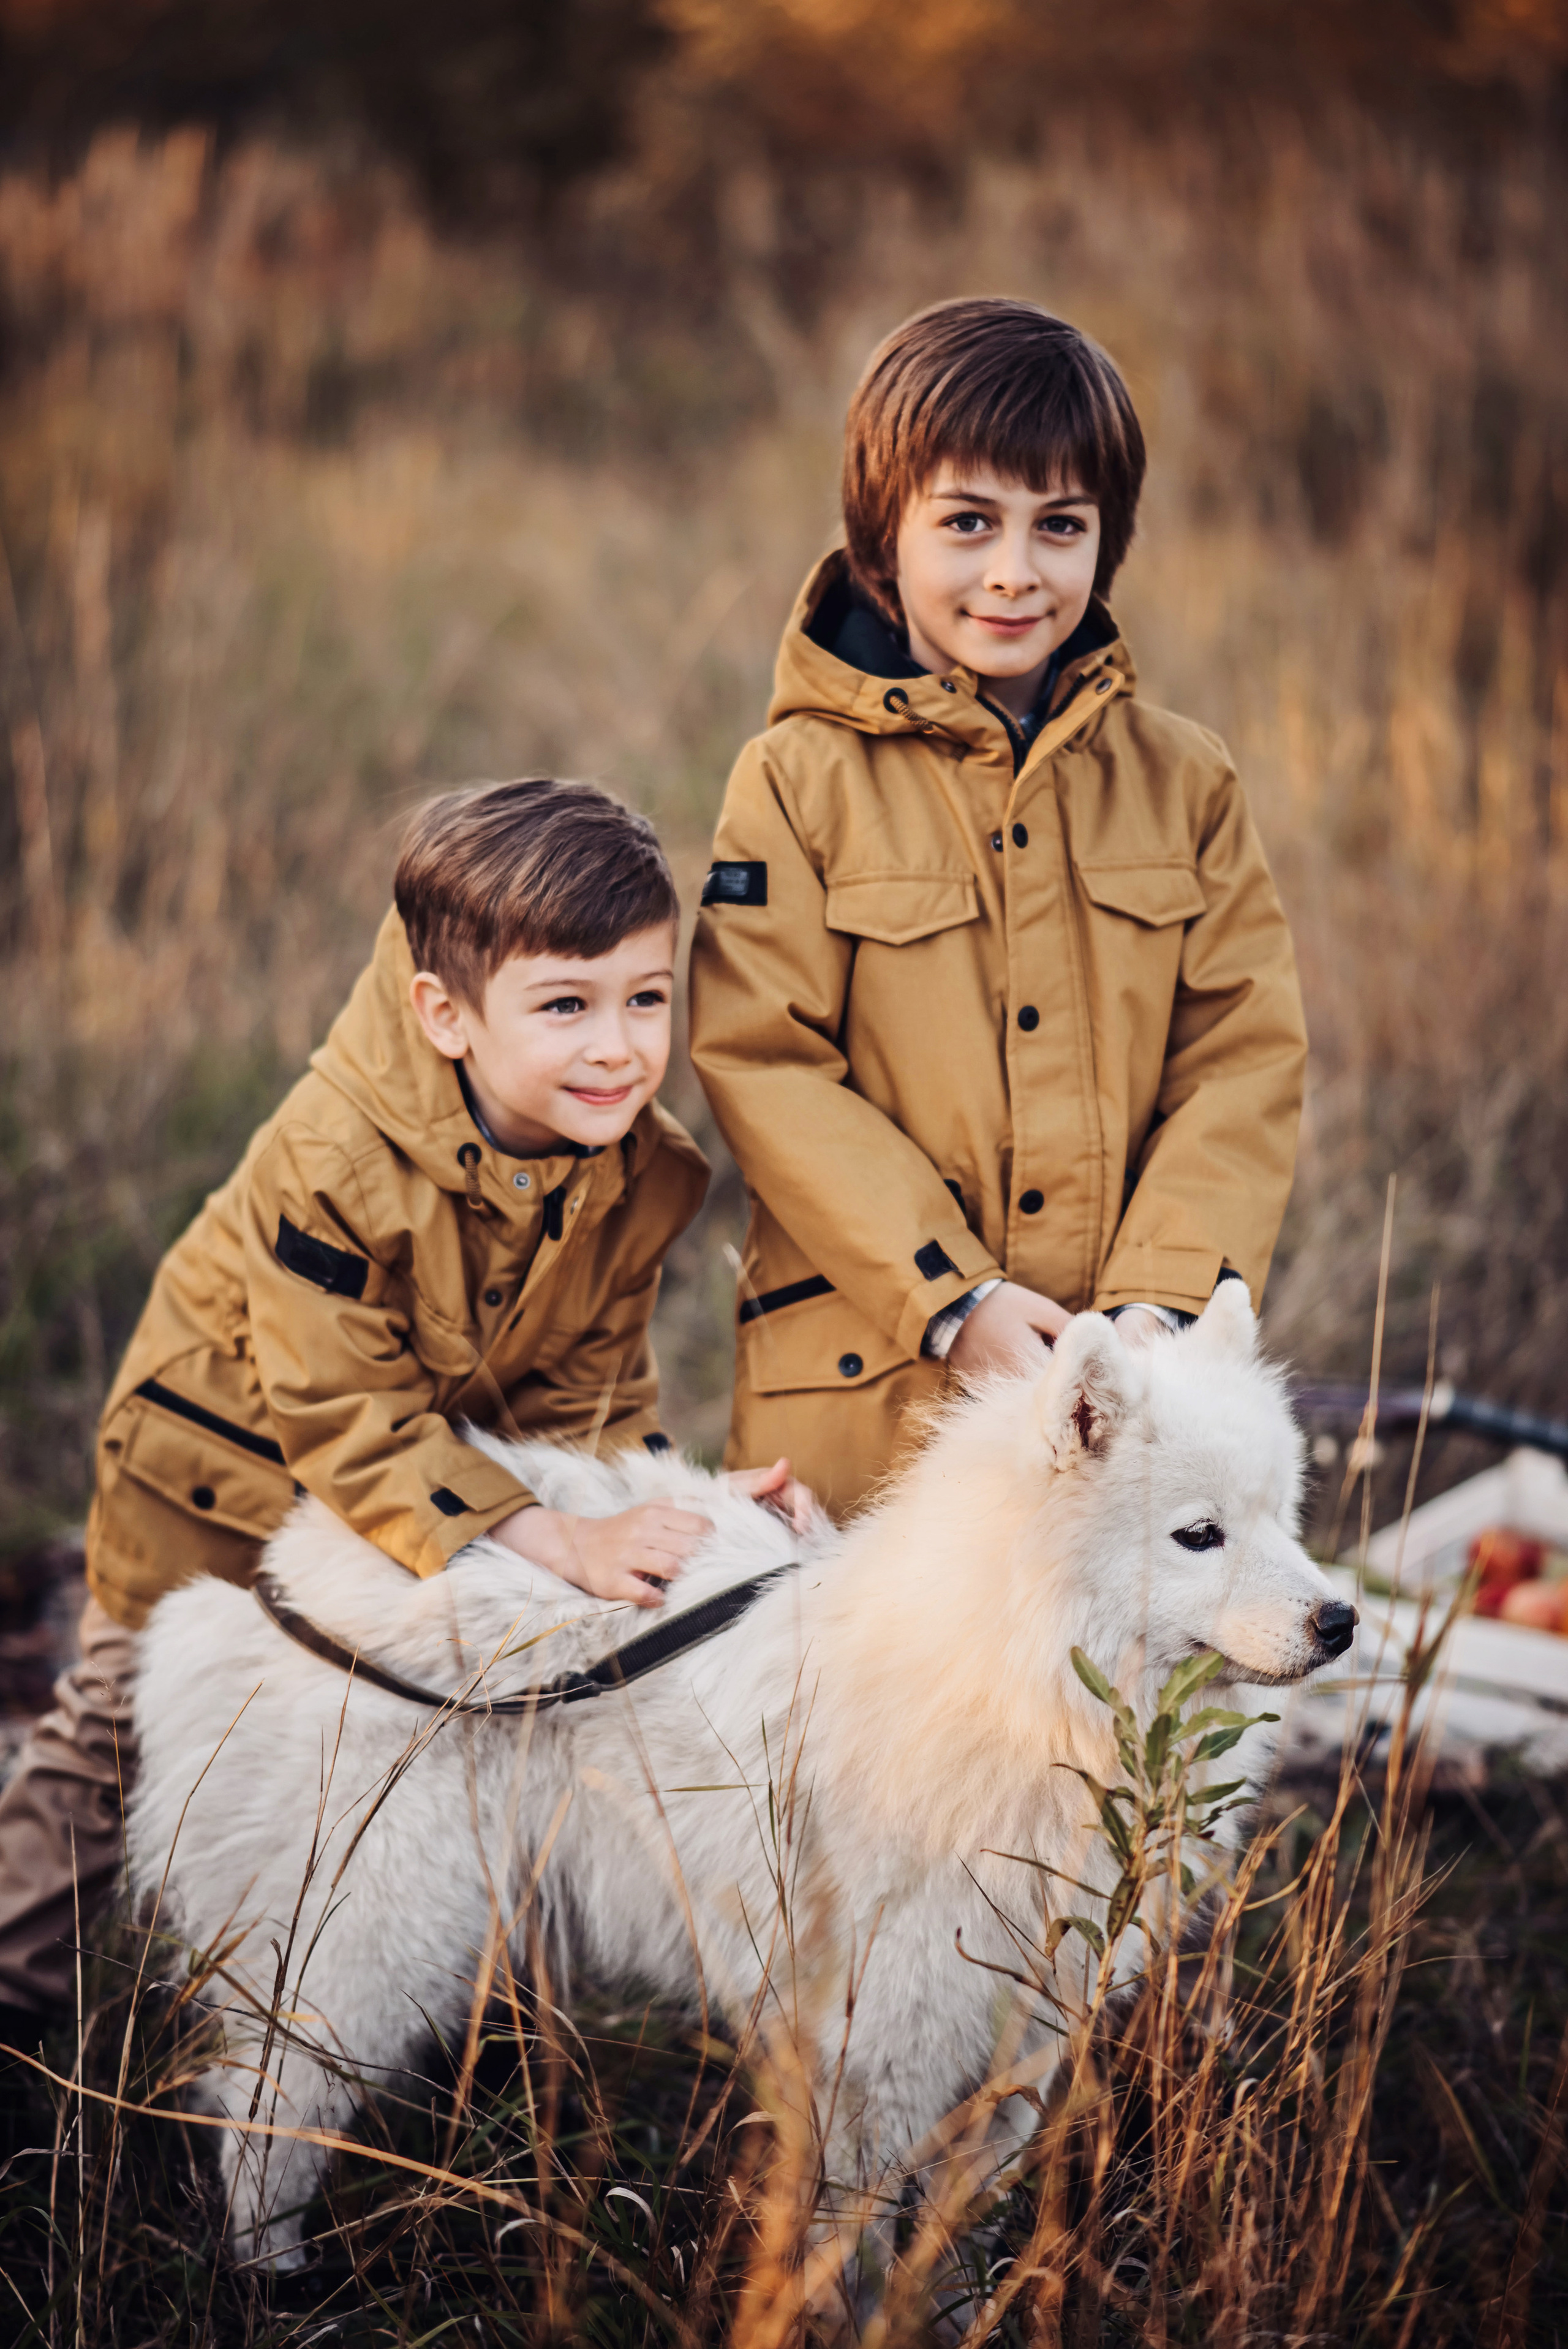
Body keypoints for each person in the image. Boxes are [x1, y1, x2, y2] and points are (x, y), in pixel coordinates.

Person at [0, 776, 797, 2055]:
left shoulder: (641, 1168)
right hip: (223, 1469)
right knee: (123, 1721)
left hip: (443, 1480)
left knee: (495, 1709)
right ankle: (16, 1989)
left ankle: (471, 2031)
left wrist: (679, 1512)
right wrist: (557, 1536)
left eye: (646, 998)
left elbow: (588, 1393)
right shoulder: (334, 1158)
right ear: (446, 1014)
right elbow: (345, 1410)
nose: (618, 1046)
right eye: (566, 1006)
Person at [689, 296, 1308, 1516]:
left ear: (1106, 541)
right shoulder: (794, 780)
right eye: (967, 522)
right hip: (871, 1397)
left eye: (1059, 525)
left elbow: (1243, 1055)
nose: (1015, 571)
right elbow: (763, 1060)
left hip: (1123, 1403)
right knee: (850, 1643)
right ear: (883, 535)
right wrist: (949, 1299)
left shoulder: (1184, 781)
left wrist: (1158, 1302)